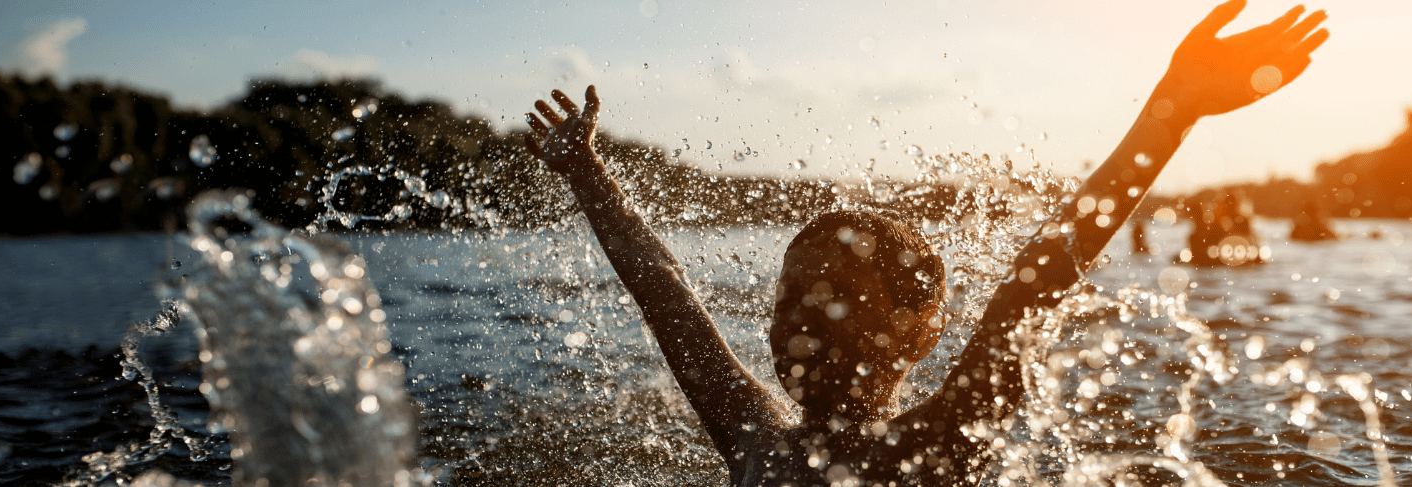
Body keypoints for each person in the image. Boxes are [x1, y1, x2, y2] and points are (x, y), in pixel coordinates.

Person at [522, 1, 1326, 484]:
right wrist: (589, 174)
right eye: (787, 298)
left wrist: (1172, 109)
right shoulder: (751, 431)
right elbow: (663, 290)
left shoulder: (943, 443)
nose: (795, 320)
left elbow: (1035, 282)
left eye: (831, 297)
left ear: (921, 329)